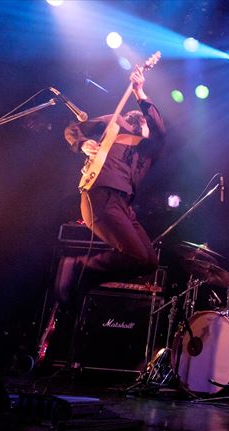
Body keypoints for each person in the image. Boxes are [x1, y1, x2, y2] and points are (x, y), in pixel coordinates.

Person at [58, 66, 166, 300]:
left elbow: (159, 128)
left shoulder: (149, 151)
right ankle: (77, 268)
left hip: (123, 205)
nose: (148, 131)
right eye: (144, 125)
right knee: (138, 256)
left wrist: (140, 92)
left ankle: (82, 280)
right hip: (101, 195)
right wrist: (83, 144)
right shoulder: (116, 124)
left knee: (149, 262)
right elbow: (73, 129)